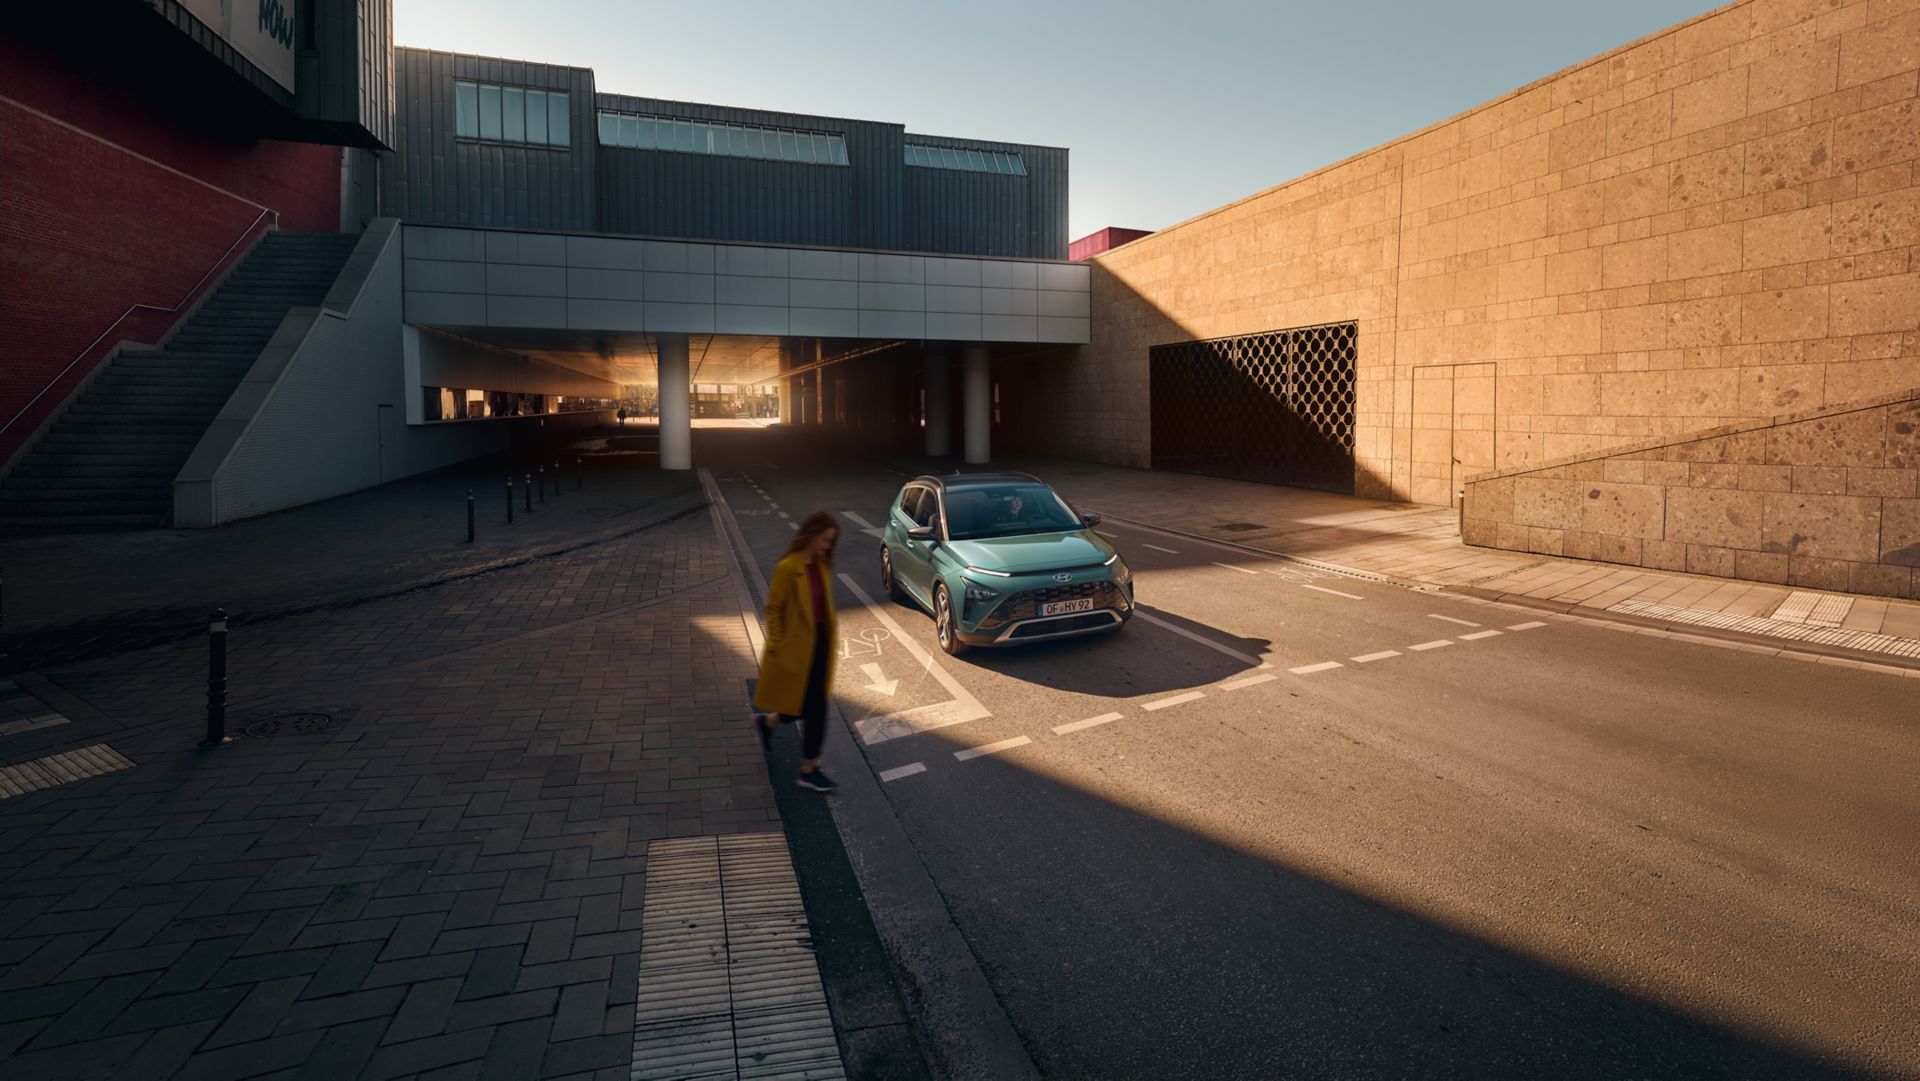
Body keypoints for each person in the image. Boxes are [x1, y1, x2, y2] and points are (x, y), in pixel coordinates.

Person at [751, 511, 840, 791]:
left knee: (804, 703)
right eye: (824, 539)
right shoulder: (788, 567)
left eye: (830, 541)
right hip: (798, 648)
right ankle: (808, 769)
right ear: (811, 535)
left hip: (820, 644)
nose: (827, 545)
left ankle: (768, 722)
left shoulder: (820, 565)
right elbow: (773, 609)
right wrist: (778, 645)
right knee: (816, 708)